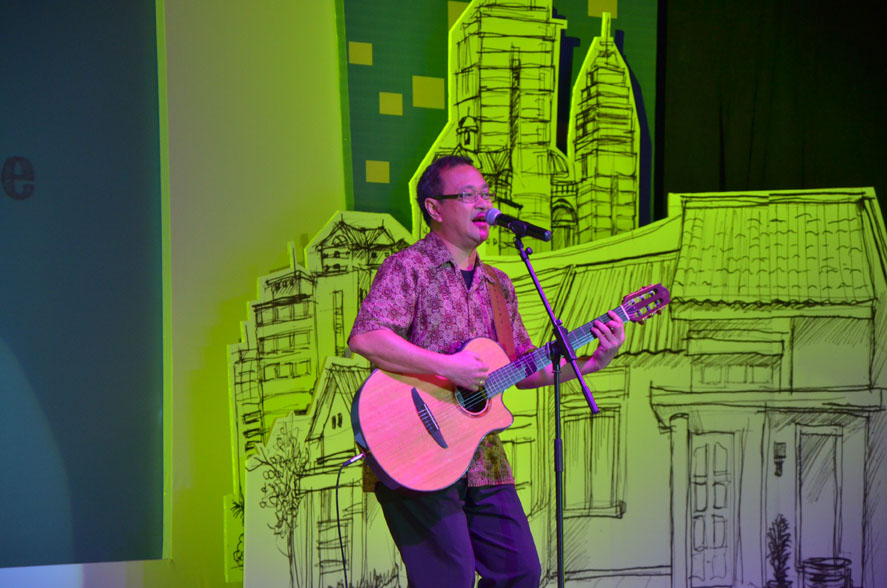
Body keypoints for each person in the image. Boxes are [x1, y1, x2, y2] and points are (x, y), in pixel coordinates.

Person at [348, 155, 625, 588]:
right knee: (449, 579)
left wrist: (592, 363)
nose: (483, 204)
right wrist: (448, 367)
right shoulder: (408, 268)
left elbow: (523, 369)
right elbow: (367, 338)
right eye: (468, 195)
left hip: (483, 458)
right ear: (434, 208)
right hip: (416, 449)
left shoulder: (499, 285)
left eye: (486, 194)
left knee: (521, 572)